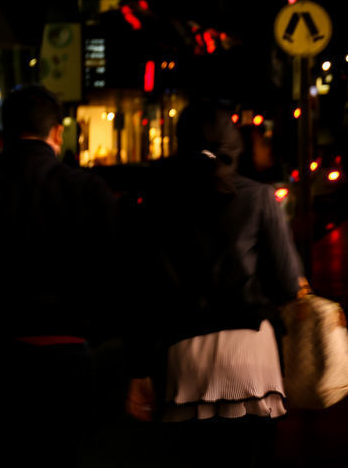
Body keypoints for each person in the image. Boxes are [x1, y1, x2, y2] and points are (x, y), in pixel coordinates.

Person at [0, 84, 119, 467]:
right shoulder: (87, 190)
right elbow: (111, 272)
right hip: (66, 352)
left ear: (4, 129)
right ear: (57, 132)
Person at [123, 101, 306, 468]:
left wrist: (139, 370)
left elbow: (144, 293)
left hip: (186, 356)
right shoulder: (259, 198)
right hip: (252, 354)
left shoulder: (157, 204)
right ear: (233, 144)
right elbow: (287, 286)